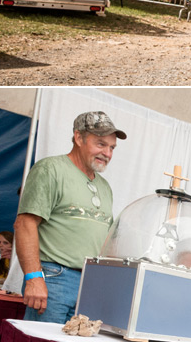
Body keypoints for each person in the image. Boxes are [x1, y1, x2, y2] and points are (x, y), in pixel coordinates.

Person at [14, 111, 122, 324]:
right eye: (101, 144)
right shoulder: (50, 169)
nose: (107, 153)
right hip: (54, 279)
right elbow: (25, 224)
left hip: (90, 285)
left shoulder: (105, 187)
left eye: (111, 148)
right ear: (78, 138)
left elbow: (106, 242)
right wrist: (33, 278)